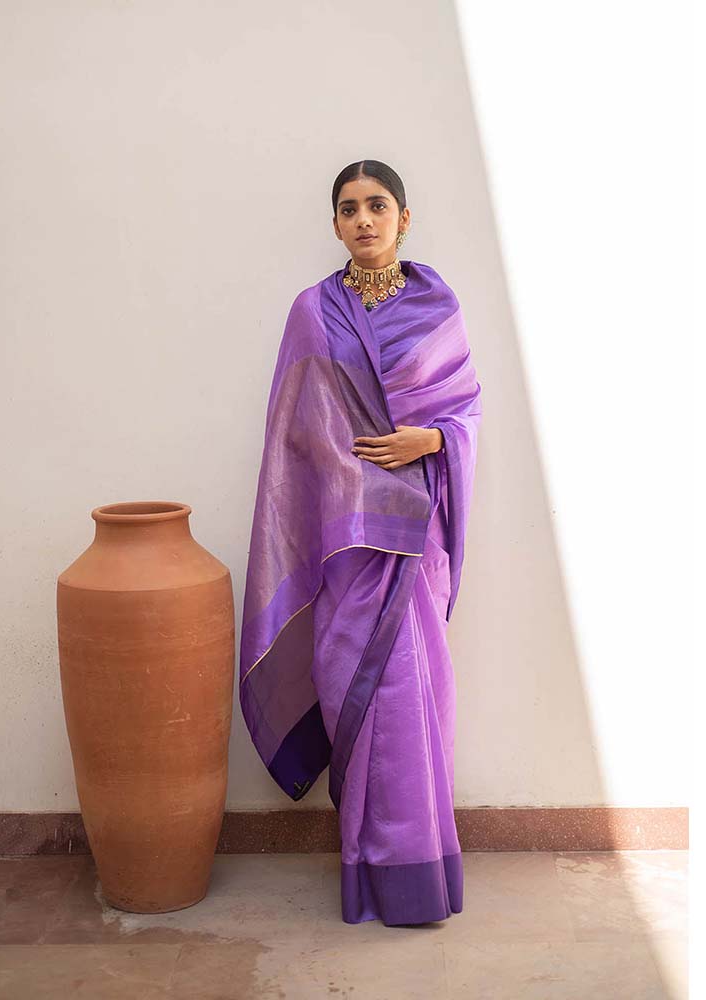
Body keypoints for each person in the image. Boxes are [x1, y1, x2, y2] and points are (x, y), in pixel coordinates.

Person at [239, 159, 483, 926]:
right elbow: (296, 434)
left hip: (414, 538)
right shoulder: (313, 312)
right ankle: (366, 867)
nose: (364, 220)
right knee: (356, 688)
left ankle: (413, 874)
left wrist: (428, 440)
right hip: (349, 542)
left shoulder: (437, 305)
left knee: (411, 693)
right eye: (349, 209)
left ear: (404, 218)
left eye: (378, 205)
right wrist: (353, 484)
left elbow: (465, 413)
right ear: (335, 224)